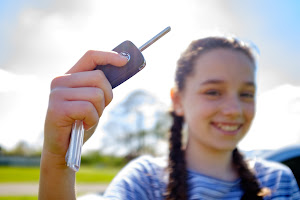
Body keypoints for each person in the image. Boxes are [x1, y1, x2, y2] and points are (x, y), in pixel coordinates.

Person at [39, 36, 300, 200]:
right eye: (213, 91)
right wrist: (57, 159)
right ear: (178, 100)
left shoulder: (280, 181)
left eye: (246, 93)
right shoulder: (144, 181)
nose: (233, 109)